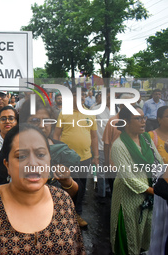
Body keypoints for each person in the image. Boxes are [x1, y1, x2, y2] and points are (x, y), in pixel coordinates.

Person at [0, 124, 86, 254]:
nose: (33, 164)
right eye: (21, 156)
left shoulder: (63, 200)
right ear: (7, 165)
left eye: (40, 154)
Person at [110, 106, 163, 255]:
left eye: (144, 118)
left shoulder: (146, 138)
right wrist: (155, 191)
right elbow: (128, 178)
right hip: (128, 197)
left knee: (145, 231)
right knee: (129, 234)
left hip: (148, 194)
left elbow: (157, 161)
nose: (143, 122)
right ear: (126, 121)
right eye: (138, 118)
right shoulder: (119, 146)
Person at [54, 87, 99, 228]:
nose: (79, 99)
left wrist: (96, 156)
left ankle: (77, 213)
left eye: (82, 96)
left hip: (85, 157)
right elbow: (56, 135)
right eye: (75, 96)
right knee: (67, 186)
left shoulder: (91, 114)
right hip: (66, 159)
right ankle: (64, 213)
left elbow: (94, 136)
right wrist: (57, 154)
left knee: (82, 187)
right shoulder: (64, 113)